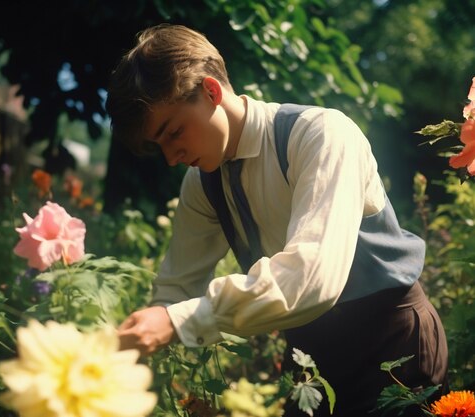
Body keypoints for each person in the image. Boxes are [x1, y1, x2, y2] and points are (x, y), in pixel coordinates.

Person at [106, 23, 448, 417]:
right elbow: (176, 292)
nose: (170, 156)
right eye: (159, 145)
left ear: (211, 92)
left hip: (394, 343)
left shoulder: (322, 134)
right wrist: (124, 350)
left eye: (174, 132)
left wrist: (177, 319)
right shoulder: (201, 184)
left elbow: (313, 279)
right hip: (309, 356)